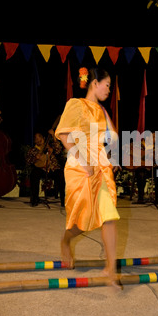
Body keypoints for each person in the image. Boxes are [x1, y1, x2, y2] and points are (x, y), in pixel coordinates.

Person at [55, 67, 120, 287]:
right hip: (79, 165)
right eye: (107, 85)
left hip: (100, 166)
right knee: (82, 220)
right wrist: (84, 162)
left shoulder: (101, 110)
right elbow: (64, 136)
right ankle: (66, 241)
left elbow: (114, 136)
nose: (109, 90)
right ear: (94, 83)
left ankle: (111, 269)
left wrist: (114, 155)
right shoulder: (76, 104)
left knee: (108, 215)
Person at [25, 131, 65, 207]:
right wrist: (35, 158)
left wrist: (53, 136)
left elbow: (58, 149)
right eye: (36, 139)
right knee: (34, 174)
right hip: (41, 170)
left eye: (40, 138)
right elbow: (28, 161)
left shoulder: (50, 147)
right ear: (34, 141)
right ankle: (34, 200)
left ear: (43, 138)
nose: (38, 140)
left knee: (60, 174)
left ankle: (63, 200)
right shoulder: (33, 150)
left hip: (52, 168)